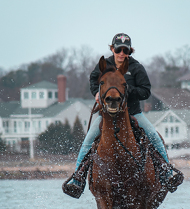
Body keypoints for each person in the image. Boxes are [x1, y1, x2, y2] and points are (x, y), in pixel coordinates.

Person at [64, 33, 178, 198]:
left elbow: (146, 91)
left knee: (154, 135)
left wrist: (125, 89)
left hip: (133, 113)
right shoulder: (104, 65)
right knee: (88, 140)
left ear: (129, 51)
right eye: (118, 50)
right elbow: (93, 80)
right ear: (112, 49)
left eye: (126, 50)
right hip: (107, 116)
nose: (122, 53)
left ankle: (167, 171)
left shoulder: (136, 68)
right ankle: (77, 178)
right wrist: (96, 93)